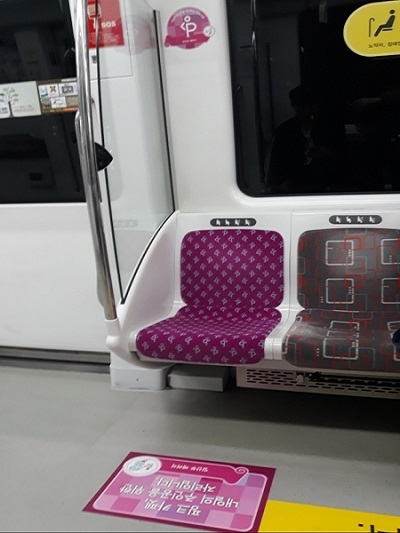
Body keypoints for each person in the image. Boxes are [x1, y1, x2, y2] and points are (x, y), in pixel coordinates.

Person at [266, 85, 345, 194]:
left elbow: (344, 157)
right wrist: (279, 186)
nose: (306, 111)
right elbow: (276, 165)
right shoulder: (284, 132)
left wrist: (328, 153)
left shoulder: (331, 128)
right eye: (301, 106)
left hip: (326, 186)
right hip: (294, 187)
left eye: (309, 106)